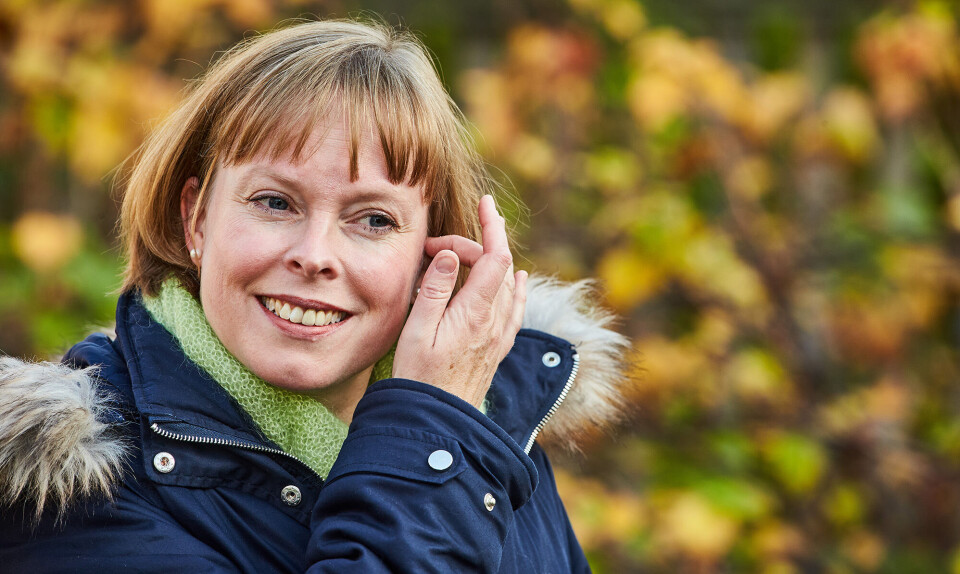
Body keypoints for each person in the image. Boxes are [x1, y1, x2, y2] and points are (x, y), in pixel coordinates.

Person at [0, 18, 628, 572]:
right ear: (197, 219)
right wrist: (432, 433)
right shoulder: (71, 483)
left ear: (430, 256)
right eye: (275, 202)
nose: (316, 254)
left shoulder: (493, 425)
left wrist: (449, 426)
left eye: (374, 219)